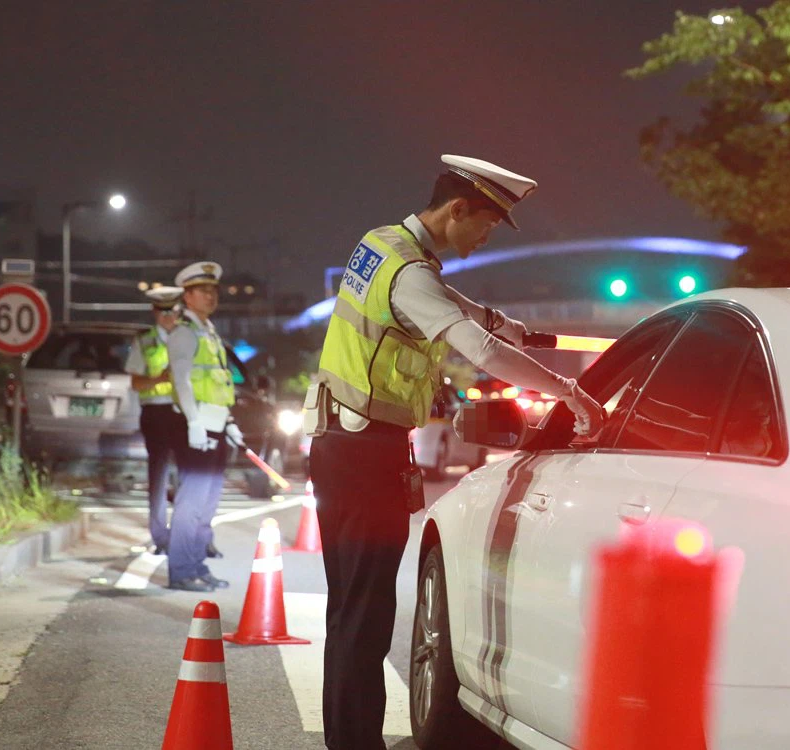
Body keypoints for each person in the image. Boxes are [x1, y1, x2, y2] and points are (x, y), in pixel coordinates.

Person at [307, 154, 603, 750]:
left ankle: (348, 740)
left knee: (351, 611)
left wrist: (505, 324)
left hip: (340, 445)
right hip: (366, 455)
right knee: (365, 617)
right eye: (486, 225)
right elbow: (482, 352)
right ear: (457, 209)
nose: (487, 237)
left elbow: (451, 303)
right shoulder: (412, 274)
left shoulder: (384, 246)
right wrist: (569, 391)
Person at [165, 261, 242, 592]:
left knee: (207, 502)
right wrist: (194, 421)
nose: (211, 297)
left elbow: (217, 382)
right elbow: (181, 380)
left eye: (213, 291)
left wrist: (229, 422)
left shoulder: (208, 331)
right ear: (187, 295)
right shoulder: (184, 332)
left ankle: (196, 565)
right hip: (194, 427)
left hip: (215, 424)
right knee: (192, 501)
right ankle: (181, 571)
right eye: (203, 291)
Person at [124, 286, 186, 555]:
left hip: (185, 412)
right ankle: (160, 537)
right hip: (156, 413)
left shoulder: (189, 338)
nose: (168, 316)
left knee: (187, 476)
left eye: (173, 311)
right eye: (163, 311)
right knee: (159, 475)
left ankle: (186, 534)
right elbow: (135, 383)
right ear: (154, 312)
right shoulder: (145, 341)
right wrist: (159, 379)